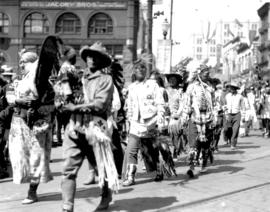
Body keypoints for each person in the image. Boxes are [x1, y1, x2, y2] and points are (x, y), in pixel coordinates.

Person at [61, 42, 118, 212]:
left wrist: (75, 107)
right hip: (75, 129)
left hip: (96, 130)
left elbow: (99, 105)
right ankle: (67, 206)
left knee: (102, 167)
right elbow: (65, 97)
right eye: (89, 56)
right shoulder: (77, 77)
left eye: (96, 57)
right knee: (68, 169)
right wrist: (62, 100)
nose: (92, 59)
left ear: (101, 60)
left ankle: (106, 196)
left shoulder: (106, 79)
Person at [8, 47, 56, 204]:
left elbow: (54, 105)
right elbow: (9, 98)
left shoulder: (43, 83)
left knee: (36, 158)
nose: (20, 64)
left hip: (35, 125)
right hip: (19, 124)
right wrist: (18, 101)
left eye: (23, 61)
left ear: (31, 62)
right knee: (18, 157)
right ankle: (29, 187)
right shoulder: (19, 80)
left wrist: (37, 109)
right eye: (20, 61)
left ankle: (32, 192)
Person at [122, 59, 165, 186]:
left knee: (152, 150)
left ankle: (159, 171)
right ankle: (130, 176)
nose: (140, 70)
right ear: (134, 71)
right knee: (131, 149)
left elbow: (160, 103)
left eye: (143, 68)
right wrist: (129, 121)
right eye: (137, 68)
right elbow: (129, 107)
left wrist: (160, 120)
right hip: (135, 123)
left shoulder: (153, 85)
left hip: (151, 121)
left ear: (146, 71)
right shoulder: (131, 87)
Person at [182, 61, 214, 177]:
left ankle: (203, 164)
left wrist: (215, 117)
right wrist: (185, 117)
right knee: (193, 144)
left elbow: (214, 104)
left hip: (208, 119)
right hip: (195, 118)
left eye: (208, 73)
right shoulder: (191, 87)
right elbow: (187, 103)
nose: (207, 74)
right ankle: (191, 167)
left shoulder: (210, 88)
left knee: (205, 145)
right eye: (205, 73)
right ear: (199, 74)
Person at [223, 82, 246, 150]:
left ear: (235, 89)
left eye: (233, 88)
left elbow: (243, 107)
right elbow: (224, 105)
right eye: (231, 88)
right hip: (228, 114)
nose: (231, 89)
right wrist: (225, 112)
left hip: (237, 114)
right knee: (227, 129)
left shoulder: (240, 97)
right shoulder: (227, 96)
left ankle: (233, 144)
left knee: (235, 130)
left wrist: (243, 116)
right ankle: (228, 139)